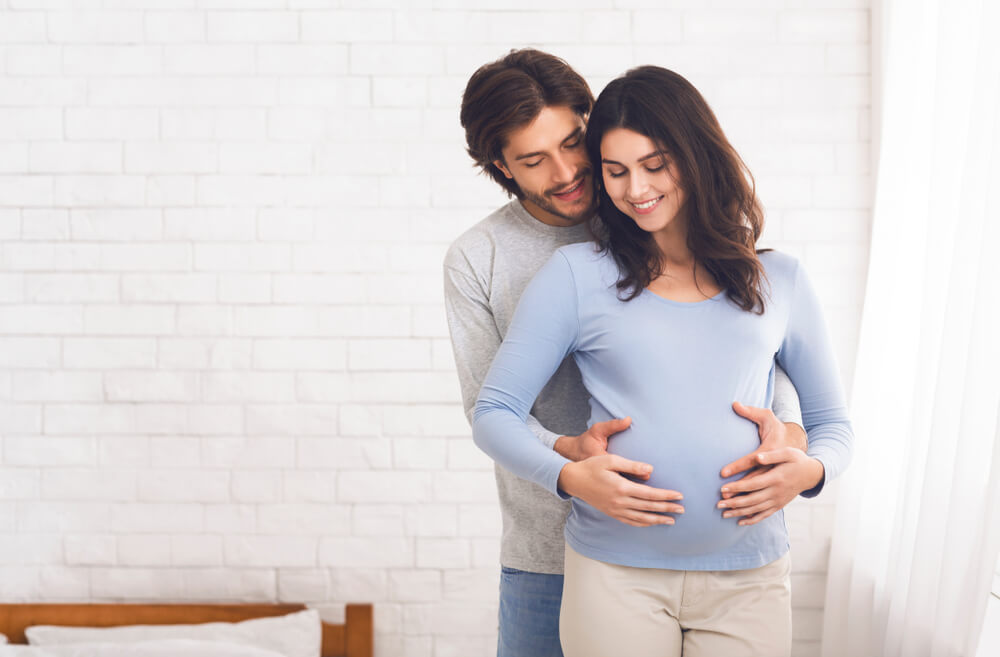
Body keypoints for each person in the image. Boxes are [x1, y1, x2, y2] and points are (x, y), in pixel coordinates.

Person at [471, 65, 853, 657]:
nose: (635, 189)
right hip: (613, 575)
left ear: (696, 156)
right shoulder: (578, 276)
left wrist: (811, 471)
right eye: (616, 171)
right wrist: (568, 474)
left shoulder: (781, 279)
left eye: (655, 165)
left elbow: (833, 424)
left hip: (749, 575)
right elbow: (493, 412)